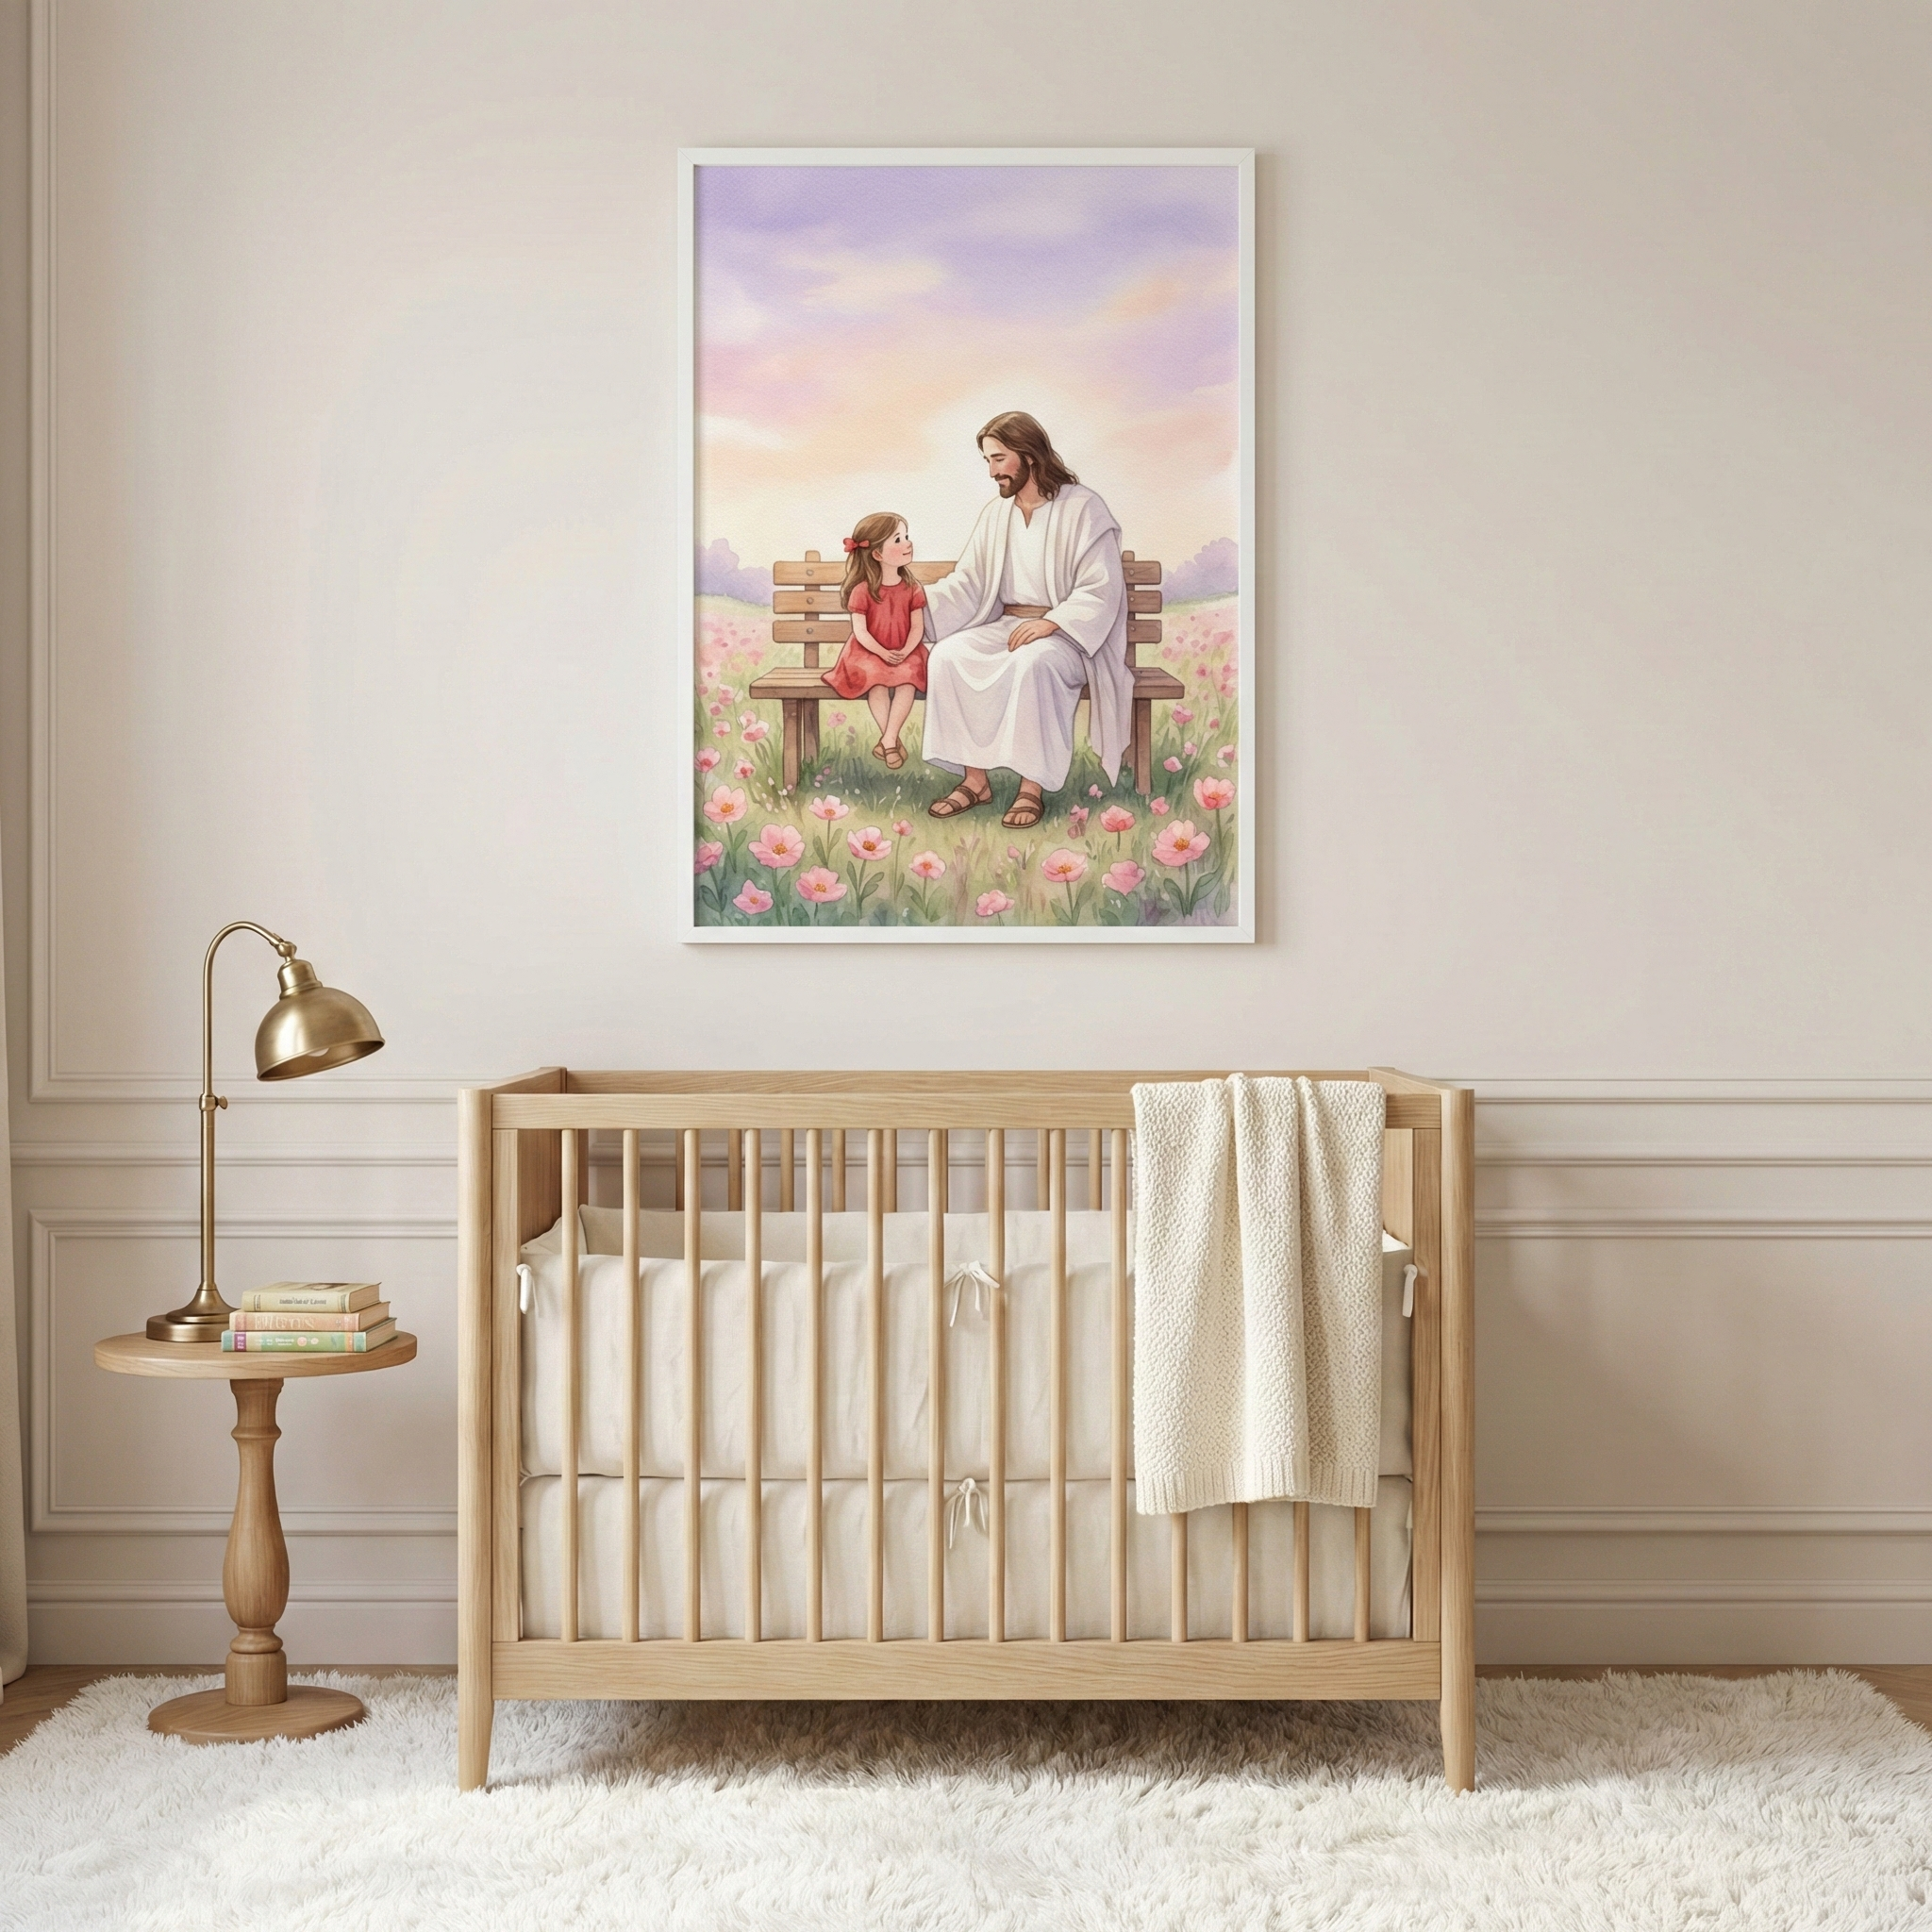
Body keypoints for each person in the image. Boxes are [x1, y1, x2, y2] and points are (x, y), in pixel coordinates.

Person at [923, 411, 1130, 828]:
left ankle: (1030, 789)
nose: (992, 471)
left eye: (999, 459)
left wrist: (1053, 623)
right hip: (1007, 625)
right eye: (988, 461)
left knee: (1033, 663)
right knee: (948, 655)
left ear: (1029, 456)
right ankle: (975, 781)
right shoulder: (996, 515)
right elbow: (970, 581)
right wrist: (914, 606)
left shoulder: (1083, 507)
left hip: (1068, 637)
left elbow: (1101, 587)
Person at [821, 511, 928, 771]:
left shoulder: (912, 587)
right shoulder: (862, 590)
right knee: (875, 682)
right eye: (898, 540)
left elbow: (917, 628)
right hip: (868, 652)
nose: (907, 543)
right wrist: (882, 652)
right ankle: (890, 741)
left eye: (906, 537)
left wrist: (905, 650)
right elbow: (861, 633)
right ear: (877, 554)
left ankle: (888, 741)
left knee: (908, 678)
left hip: (904, 651)